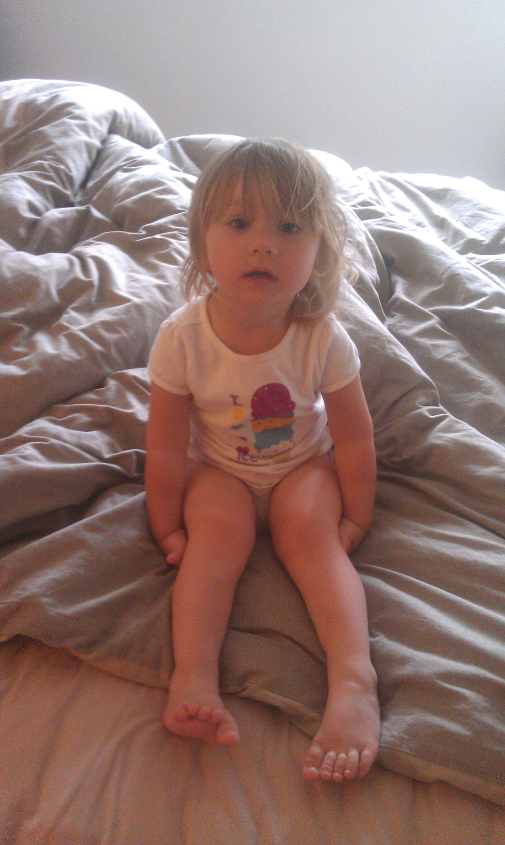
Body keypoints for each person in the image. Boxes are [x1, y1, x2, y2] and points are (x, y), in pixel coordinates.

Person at [145, 138, 380, 783]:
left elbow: (355, 438)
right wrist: (167, 527)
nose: (264, 245)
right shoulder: (181, 339)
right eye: (239, 223)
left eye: (289, 227)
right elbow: (165, 447)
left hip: (303, 467)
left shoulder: (321, 335)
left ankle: (354, 681)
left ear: (319, 251)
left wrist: (356, 517)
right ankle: (193, 678)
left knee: (312, 538)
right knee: (214, 539)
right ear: (202, 246)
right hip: (219, 472)